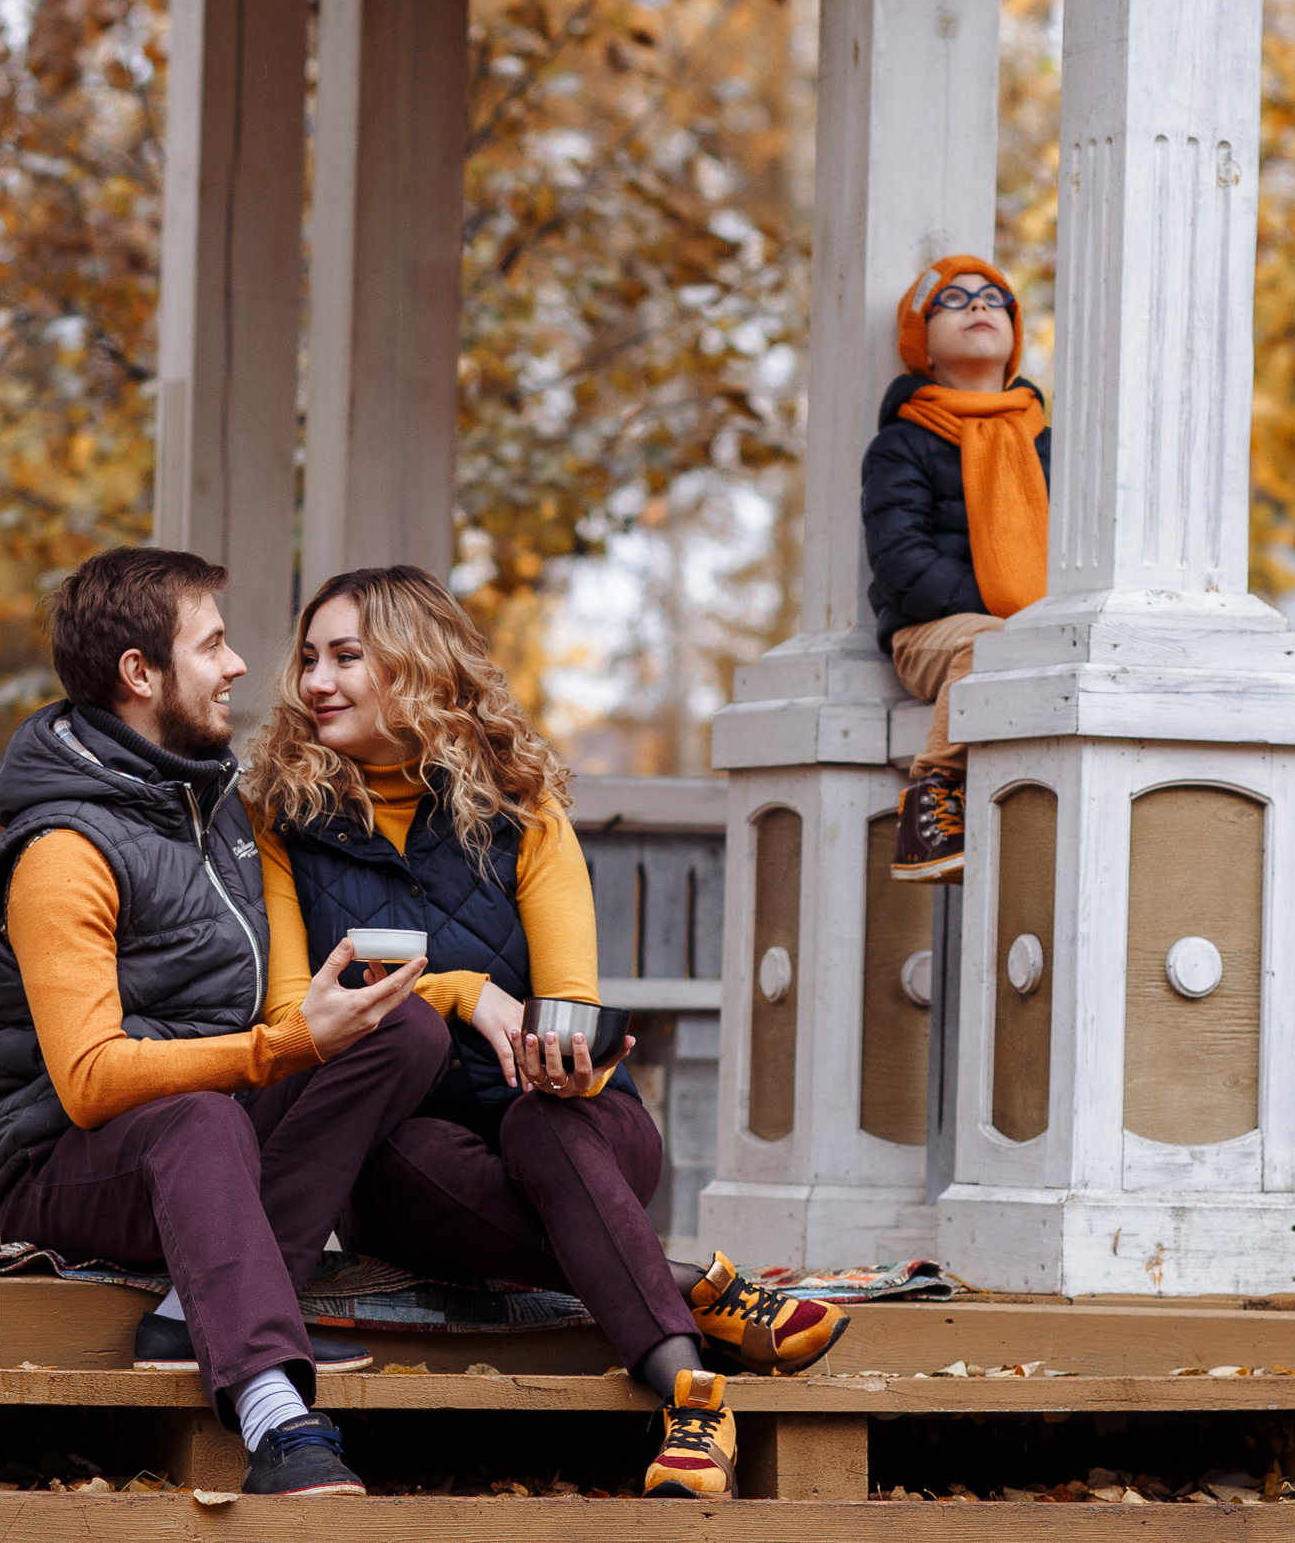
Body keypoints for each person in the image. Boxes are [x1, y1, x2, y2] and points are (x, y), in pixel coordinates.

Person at [243, 566, 851, 1501]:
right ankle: (690, 1299)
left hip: (567, 1129)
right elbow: (296, 1020)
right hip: (413, 1166)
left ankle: (688, 1399)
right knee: (403, 1151)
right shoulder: (287, 822)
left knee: (545, 1128)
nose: (314, 681)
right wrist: (459, 991)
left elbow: (568, 1002)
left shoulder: (524, 811)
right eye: (309, 659)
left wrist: (571, 1064)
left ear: (418, 665)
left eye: (346, 657)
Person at [0, 547, 454, 1497]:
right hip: (66, 1165)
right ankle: (278, 1419)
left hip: (208, 1145)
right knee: (204, 1114)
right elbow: (89, 1080)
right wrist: (280, 1049)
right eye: (214, 643)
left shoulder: (218, 805)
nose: (239, 665)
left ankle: (196, 1306)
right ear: (141, 673)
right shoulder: (63, 849)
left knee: (403, 1030)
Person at [862, 254, 1052, 883]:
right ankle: (931, 797)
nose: (978, 305)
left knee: (1007, 645)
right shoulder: (904, 443)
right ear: (923, 345)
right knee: (990, 643)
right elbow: (902, 566)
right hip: (931, 634)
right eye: (953, 299)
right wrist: (1010, 607)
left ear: (1014, 337)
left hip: (1028, 632)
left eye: (995, 298)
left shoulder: (1047, 440)